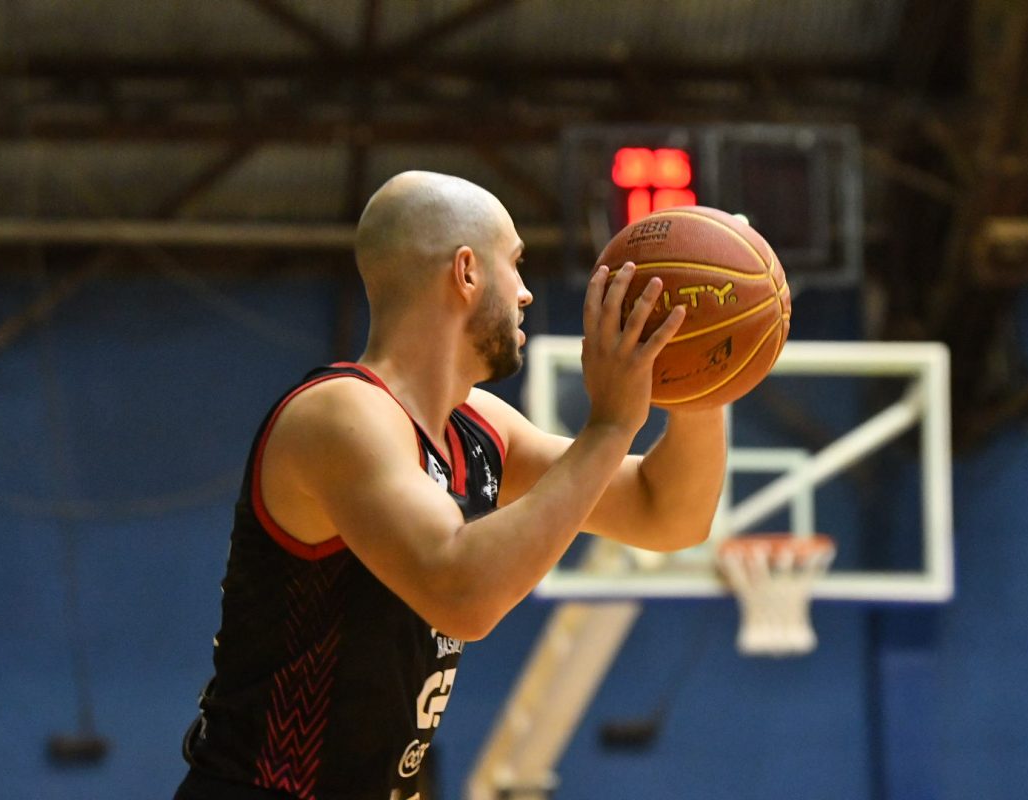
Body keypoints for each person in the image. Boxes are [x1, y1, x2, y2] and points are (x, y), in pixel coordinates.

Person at [174, 171, 726, 800]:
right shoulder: (340, 414)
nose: (526, 293)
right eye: (515, 264)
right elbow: (461, 592)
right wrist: (610, 427)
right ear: (466, 272)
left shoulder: (479, 428)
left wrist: (703, 374)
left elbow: (668, 513)